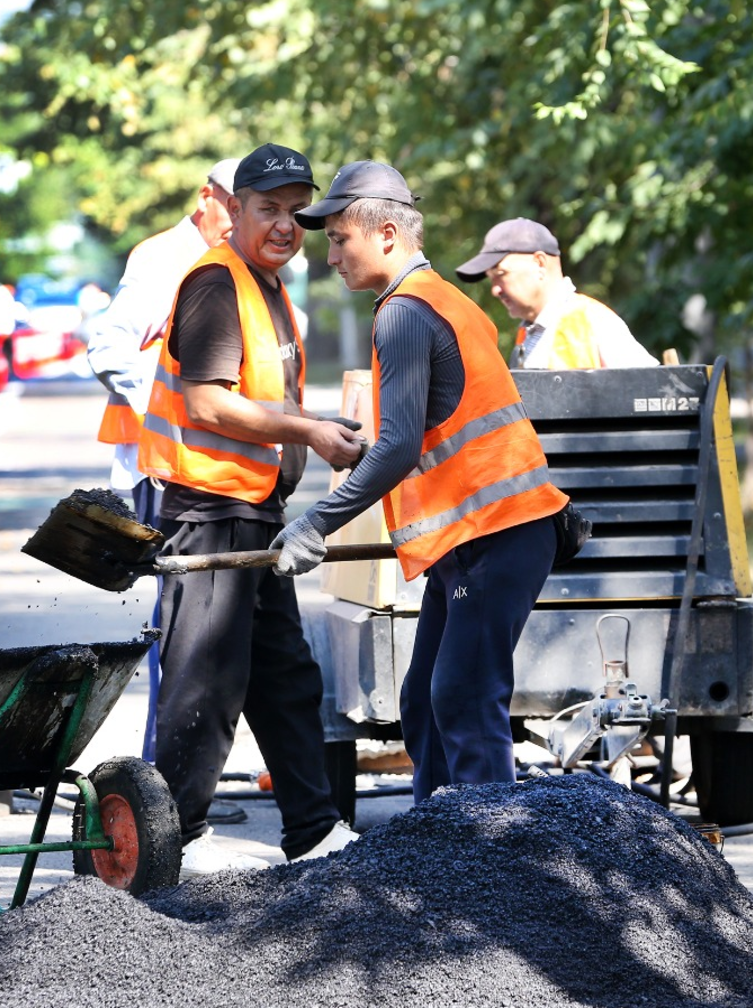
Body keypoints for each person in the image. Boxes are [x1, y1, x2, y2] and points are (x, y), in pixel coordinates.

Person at [280, 162, 571, 802]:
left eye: (337, 238)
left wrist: (314, 523)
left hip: (497, 532)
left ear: (386, 233)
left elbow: (401, 447)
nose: (328, 256)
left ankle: (490, 863)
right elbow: (432, 431)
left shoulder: (405, 314)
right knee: (425, 701)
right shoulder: (439, 299)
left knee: (464, 697)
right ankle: (431, 847)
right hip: (476, 537)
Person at [139, 142, 365, 875]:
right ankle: (172, 839)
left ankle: (313, 828)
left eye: (297, 212)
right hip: (209, 512)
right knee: (206, 678)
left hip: (253, 510)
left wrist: (315, 430)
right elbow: (208, 402)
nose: (284, 225)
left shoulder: (265, 287)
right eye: (269, 209)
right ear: (232, 210)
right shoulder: (216, 283)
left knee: (285, 675)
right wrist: (308, 430)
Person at [82, 158, 241, 788]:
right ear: (208, 198)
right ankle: (164, 782)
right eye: (237, 204)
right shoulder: (164, 259)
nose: (245, 219)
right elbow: (109, 347)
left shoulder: (232, 262)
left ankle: (183, 778)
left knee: (210, 629)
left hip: (206, 467)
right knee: (182, 626)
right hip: (164, 467)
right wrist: (174, 406)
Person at [455, 217, 657, 369]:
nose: (495, 290)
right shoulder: (529, 334)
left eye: (501, 274)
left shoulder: (591, 321)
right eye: (491, 278)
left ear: (540, 263)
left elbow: (650, 393)